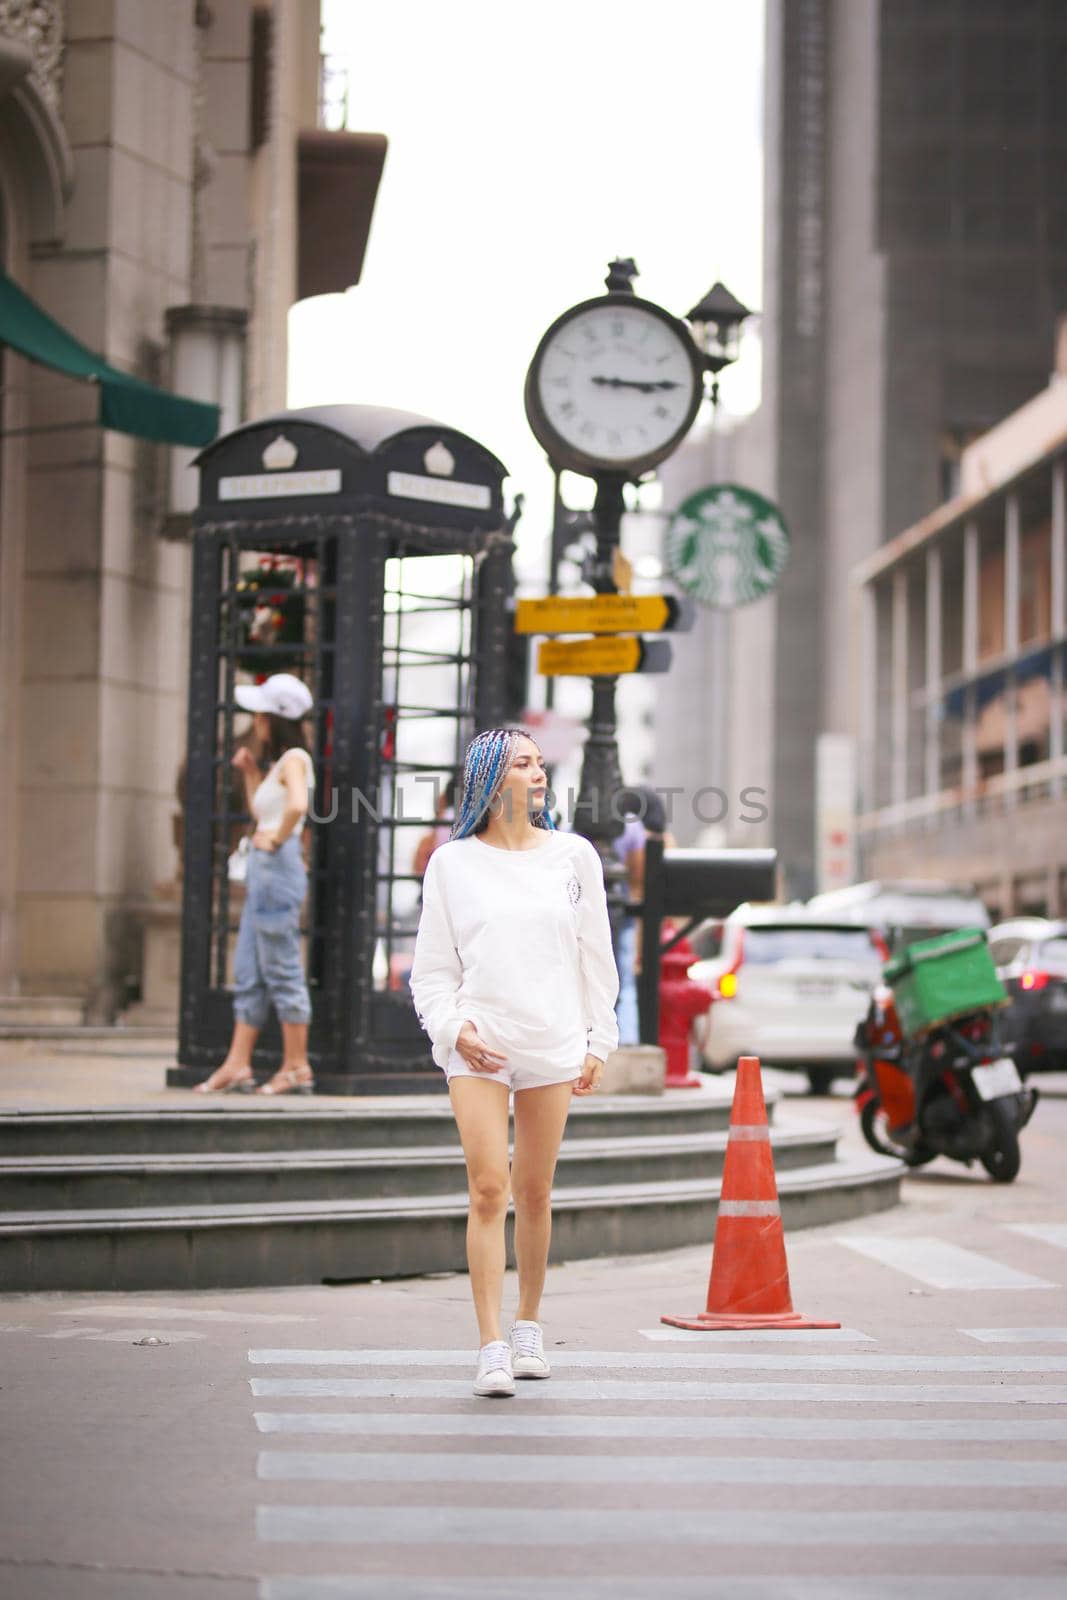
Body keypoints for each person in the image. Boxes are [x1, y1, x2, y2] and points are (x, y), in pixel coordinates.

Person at [408, 726, 619, 1397]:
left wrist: (598, 1039)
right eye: (522, 763)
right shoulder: (452, 864)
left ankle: (528, 1325)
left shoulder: (572, 856)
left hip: (552, 1042)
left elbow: (596, 957)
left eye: (539, 763)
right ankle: (490, 1343)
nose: (538, 774)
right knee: (487, 1188)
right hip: (478, 1042)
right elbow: (431, 970)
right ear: (491, 778)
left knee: (533, 1191)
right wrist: (452, 1027)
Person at [194, 673, 317, 1096]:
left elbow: (298, 805)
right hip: (265, 871)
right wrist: (251, 774)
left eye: (260, 713)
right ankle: (237, 1063)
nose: (256, 721)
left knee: (281, 965)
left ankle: (297, 1066)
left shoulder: (296, 758)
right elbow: (264, 811)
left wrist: (279, 838)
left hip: (276, 867)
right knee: (248, 967)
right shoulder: (281, 764)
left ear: (273, 718)